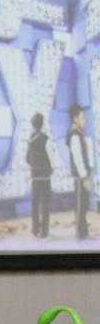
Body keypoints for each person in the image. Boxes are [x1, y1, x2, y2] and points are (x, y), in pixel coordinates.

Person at [25, 112, 52, 238]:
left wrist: (34, 165)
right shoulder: (45, 138)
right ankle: (44, 232)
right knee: (45, 204)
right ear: (42, 123)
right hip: (45, 176)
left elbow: (27, 158)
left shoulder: (30, 140)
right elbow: (50, 155)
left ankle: (35, 229)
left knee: (35, 203)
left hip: (35, 175)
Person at [67, 103, 92, 240]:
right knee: (80, 205)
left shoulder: (78, 134)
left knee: (84, 204)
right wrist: (84, 177)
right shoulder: (74, 135)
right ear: (75, 119)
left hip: (82, 175)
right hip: (80, 177)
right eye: (82, 117)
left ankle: (84, 231)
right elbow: (78, 159)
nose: (84, 120)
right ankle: (80, 234)